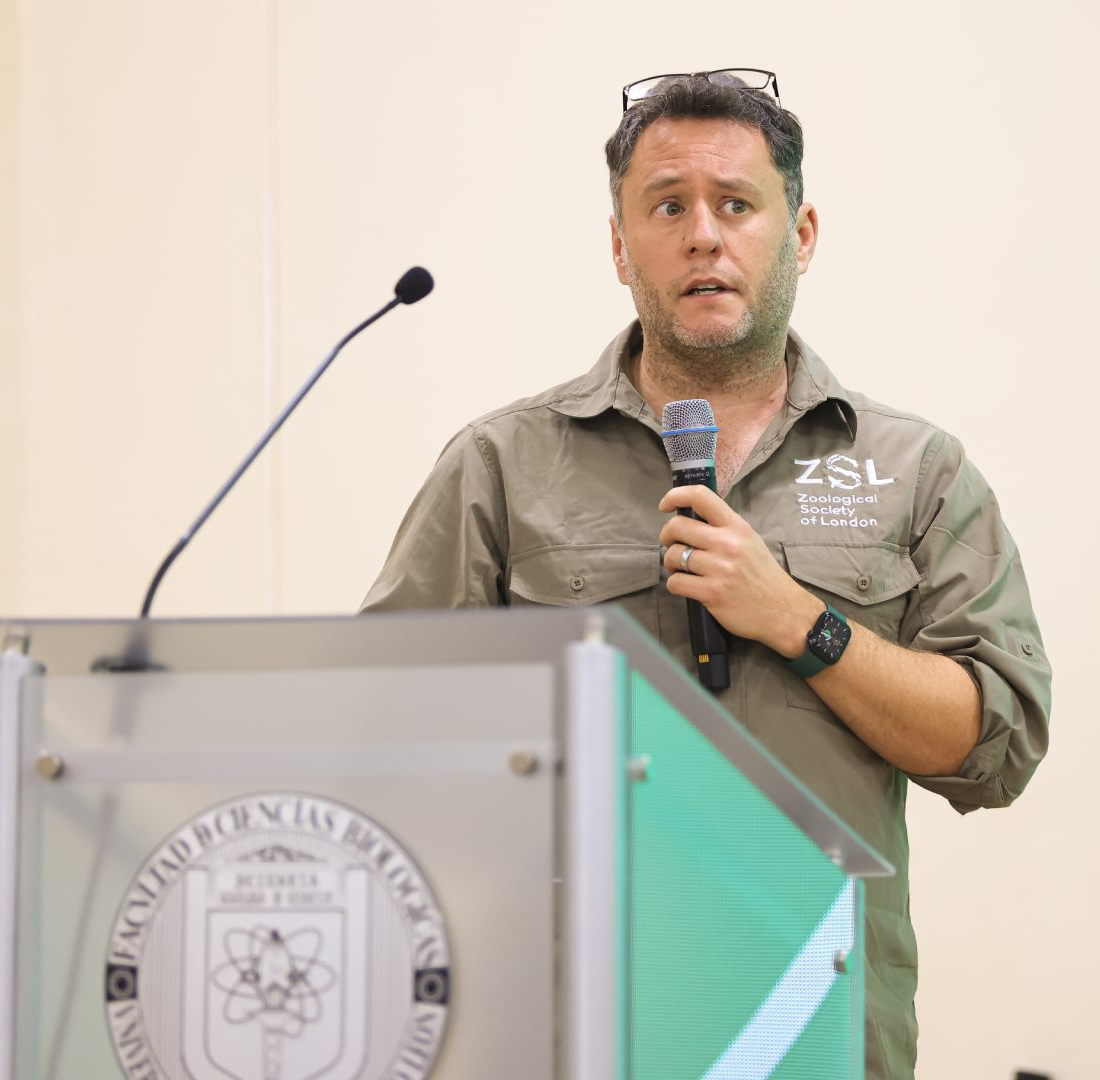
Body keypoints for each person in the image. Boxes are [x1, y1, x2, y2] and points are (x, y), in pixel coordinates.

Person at [363, 69, 1053, 1080]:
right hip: (565, 1029)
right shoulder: (502, 467)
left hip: (816, 1023)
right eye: (667, 206)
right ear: (618, 244)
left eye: (737, 204)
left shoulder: (917, 471)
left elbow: (995, 748)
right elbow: (384, 742)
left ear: (802, 234)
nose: (703, 236)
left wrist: (802, 623)